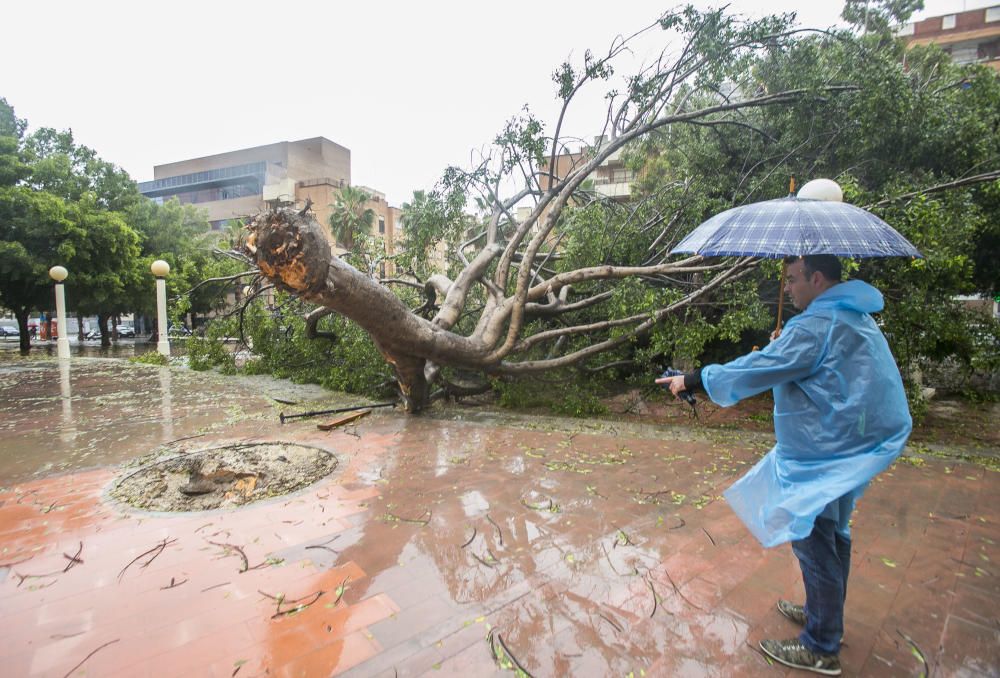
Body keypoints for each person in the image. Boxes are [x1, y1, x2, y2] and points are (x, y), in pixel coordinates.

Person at [656, 255, 912, 676]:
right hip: (846, 448)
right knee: (833, 533)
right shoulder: (850, 316)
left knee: (811, 537)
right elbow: (827, 371)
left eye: (793, 279)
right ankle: (823, 614)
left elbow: (758, 369)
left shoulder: (815, 326)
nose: (788, 288)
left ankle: (821, 645)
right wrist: (787, 343)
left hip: (821, 454)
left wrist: (695, 378)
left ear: (816, 278)